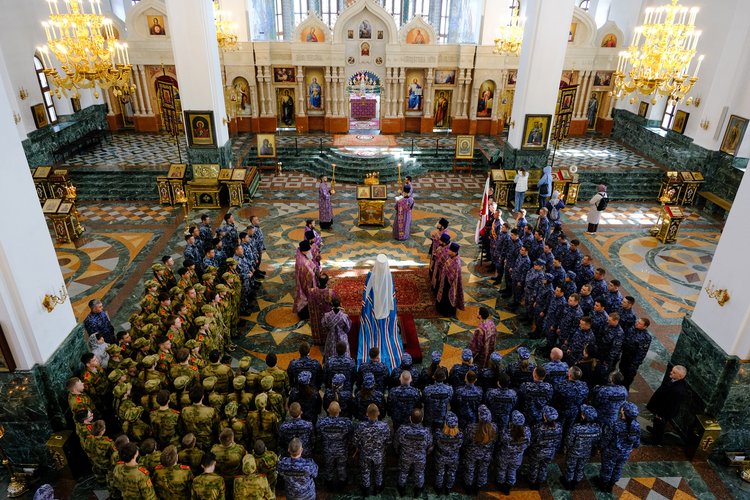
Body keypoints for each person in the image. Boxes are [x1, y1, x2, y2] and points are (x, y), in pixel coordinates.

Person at [356, 254, 404, 373]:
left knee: (371, 326)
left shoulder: (371, 275)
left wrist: (365, 308)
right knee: (388, 328)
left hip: (372, 308)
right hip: (386, 308)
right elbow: (392, 293)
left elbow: (366, 293)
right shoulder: (389, 275)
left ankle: (373, 333)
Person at [596, 402, 640, 493]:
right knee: (618, 468)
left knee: (607, 468)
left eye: (622, 409)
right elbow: (636, 442)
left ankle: (603, 485)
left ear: (623, 412)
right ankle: (610, 486)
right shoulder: (637, 425)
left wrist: (600, 447)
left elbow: (607, 439)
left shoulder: (615, 424)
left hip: (611, 452)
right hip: (625, 453)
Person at [353, 403, 391, 496]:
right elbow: (388, 441)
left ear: (367, 414)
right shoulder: (384, 426)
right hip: (379, 455)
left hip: (365, 454)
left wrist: (360, 448)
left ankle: (366, 490)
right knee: (379, 471)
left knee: (365, 472)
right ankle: (378, 488)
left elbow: (355, 441)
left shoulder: (360, 426)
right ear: (378, 413)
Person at [395, 408, 433, 497]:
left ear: (410, 418)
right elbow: (430, 446)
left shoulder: (402, 430)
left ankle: (401, 489)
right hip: (420, 457)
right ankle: (418, 491)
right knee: (419, 473)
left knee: (403, 472)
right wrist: (426, 453)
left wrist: (397, 451)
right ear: (422, 419)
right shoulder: (426, 432)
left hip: (405, 456)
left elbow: (396, 443)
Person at [562, 404, 601, 491]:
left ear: (583, 416)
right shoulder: (597, 428)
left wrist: (566, 448)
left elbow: (569, 441)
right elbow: (597, 441)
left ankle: (568, 484)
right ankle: (576, 483)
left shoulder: (576, 428)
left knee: (570, 467)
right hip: (586, 453)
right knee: (580, 468)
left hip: (573, 452)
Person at [646, 365, 688, 444]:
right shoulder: (674, 379)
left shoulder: (678, 390)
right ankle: (654, 430)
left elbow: (670, 406)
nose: (671, 372)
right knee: (657, 421)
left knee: (660, 424)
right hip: (660, 406)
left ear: (680, 376)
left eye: (674, 372)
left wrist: (661, 414)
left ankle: (655, 440)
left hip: (664, 411)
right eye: (672, 370)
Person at [461, 405, 497, 495]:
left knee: (469, 470)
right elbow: (495, 440)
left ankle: (468, 488)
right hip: (486, 454)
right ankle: (478, 487)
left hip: (472, 453)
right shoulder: (494, 427)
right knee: (483, 470)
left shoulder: (471, 428)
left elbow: (465, 441)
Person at [433, 411, 463, 495]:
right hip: (454, 458)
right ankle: (448, 488)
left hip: (441, 457)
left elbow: (435, 442)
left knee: (440, 473)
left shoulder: (439, 433)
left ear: (445, 423)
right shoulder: (460, 435)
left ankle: (438, 489)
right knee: (452, 473)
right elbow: (460, 445)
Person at [307, 273, 338, 347]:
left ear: (318, 281)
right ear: (327, 282)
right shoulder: (331, 293)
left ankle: (318, 340)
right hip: (327, 318)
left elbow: (310, 305)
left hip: (316, 319)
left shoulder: (311, 292)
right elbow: (335, 305)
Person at [436, 243, 465, 317]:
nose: (448, 251)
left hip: (450, 284)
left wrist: (449, 277)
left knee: (448, 297)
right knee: (443, 295)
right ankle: (441, 309)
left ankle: (447, 312)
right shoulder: (451, 257)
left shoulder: (456, 262)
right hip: (445, 280)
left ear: (454, 252)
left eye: (450, 251)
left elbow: (454, 275)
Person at [293, 240, 319, 320]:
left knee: (303, 295)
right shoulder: (303, 262)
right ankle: (304, 313)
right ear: (304, 251)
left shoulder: (299, 252)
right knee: (307, 295)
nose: (310, 250)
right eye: (308, 250)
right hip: (305, 280)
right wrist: (315, 271)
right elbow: (310, 274)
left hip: (302, 278)